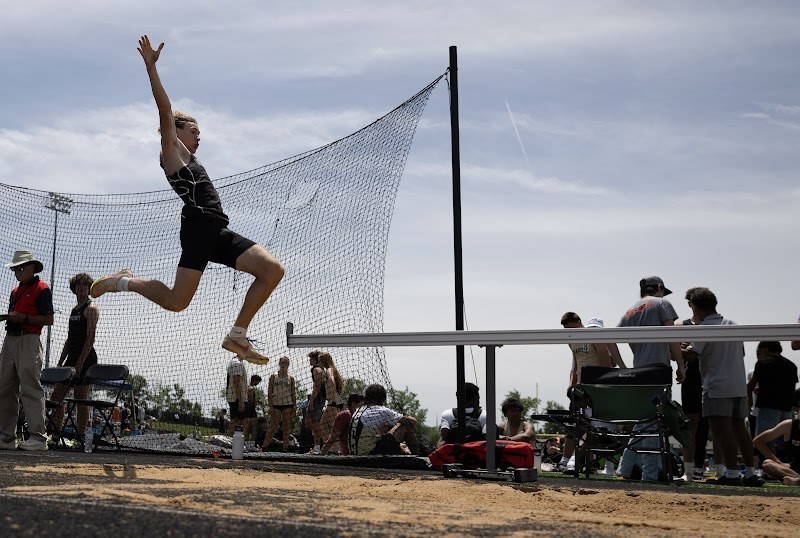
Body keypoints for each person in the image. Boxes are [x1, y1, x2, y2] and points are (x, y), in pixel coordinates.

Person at [89, 35, 284, 365]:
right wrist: (151, 68)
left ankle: (237, 335)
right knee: (177, 302)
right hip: (198, 227)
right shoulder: (170, 152)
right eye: (194, 131)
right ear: (176, 130)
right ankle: (122, 282)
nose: (199, 137)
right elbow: (164, 109)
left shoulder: (187, 155)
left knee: (272, 270)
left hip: (215, 229)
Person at [684, 287, 764, 487]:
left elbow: (691, 356)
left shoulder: (704, 328)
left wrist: (677, 346)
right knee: (739, 428)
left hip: (717, 386)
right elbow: (743, 352)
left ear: (695, 306)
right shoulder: (732, 324)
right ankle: (751, 472)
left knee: (723, 430)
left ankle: (732, 473)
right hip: (737, 384)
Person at [616, 276, 685, 482]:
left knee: (643, 422)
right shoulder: (663, 303)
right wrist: (681, 365)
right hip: (658, 372)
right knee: (654, 422)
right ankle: (650, 474)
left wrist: (623, 368)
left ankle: (625, 469)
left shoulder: (630, 311)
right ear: (659, 288)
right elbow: (672, 337)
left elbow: (611, 338)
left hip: (639, 372)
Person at [0, 250, 54, 450]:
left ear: (32, 267)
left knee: (30, 386)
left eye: (20, 268)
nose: (17, 272)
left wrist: (24, 319)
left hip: (29, 339)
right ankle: (6, 437)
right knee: (4, 387)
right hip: (10, 340)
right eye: (15, 269)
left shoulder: (42, 288)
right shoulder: (15, 291)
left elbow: (49, 319)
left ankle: (38, 438)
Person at [558, 312, 614, 473]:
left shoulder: (594, 337)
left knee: (603, 429)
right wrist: (571, 385)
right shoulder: (572, 341)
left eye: (572, 327)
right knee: (575, 426)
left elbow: (605, 365)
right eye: (567, 329)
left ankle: (605, 466)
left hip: (596, 389)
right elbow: (575, 364)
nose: (570, 331)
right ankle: (566, 461)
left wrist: (594, 386)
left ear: (580, 322)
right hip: (580, 389)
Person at [51, 273, 99, 441]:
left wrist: (80, 363)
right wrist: (60, 362)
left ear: (89, 288)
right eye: (78, 285)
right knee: (56, 396)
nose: (81, 288)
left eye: (85, 285)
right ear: (74, 288)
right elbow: (69, 338)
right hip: (71, 358)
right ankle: (55, 435)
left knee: (80, 398)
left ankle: (79, 438)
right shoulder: (73, 310)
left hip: (85, 359)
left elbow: (90, 338)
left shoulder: (91, 308)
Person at [676, 288, 711, 482]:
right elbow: (673, 351)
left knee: (709, 424)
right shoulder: (682, 324)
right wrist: (681, 362)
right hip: (691, 377)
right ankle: (688, 470)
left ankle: (701, 467)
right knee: (690, 423)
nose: (691, 304)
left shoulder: (715, 323)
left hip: (711, 376)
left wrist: (686, 348)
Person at [747, 341, 798, 463]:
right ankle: (785, 464)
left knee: (765, 440)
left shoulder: (763, 363)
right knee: (784, 440)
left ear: (766, 349)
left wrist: (748, 403)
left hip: (767, 406)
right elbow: (790, 387)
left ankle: (773, 465)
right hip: (786, 408)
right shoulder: (791, 365)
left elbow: (751, 384)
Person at [348, 384, 419, 455]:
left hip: (355, 452)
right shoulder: (380, 410)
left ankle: (409, 453)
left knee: (387, 435)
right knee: (406, 426)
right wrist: (398, 423)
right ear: (382, 399)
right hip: (370, 454)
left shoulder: (358, 410)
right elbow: (413, 421)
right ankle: (417, 456)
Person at [436, 382, 486, 448]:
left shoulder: (448, 414)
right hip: (476, 456)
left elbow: (443, 439)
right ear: (476, 398)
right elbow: (487, 440)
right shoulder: (484, 415)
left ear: (458, 397)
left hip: (453, 456)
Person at [262, 356, 296, 452]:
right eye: (281, 363)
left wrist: (294, 407)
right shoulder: (273, 376)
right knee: (274, 427)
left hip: (287, 404)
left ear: (288, 364)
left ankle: (285, 448)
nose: (283, 365)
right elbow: (269, 392)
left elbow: (293, 393)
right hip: (276, 404)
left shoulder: (291, 378)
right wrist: (270, 406)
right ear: (279, 364)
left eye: (285, 363)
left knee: (286, 428)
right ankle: (264, 446)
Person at [752, 418, 800, 487]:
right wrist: (778, 462)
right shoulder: (789, 425)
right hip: (792, 469)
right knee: (767, 464)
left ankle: (796, 481)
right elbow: (757, 441)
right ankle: (796, 480)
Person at [318, 352, 344, 438]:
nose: (319, 363)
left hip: (334, 402)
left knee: (333, 427)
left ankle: (334, 450)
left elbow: (331, 381)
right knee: (323, 425)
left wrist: (330, 394)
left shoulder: (329, 370)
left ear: (324, 361)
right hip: (333, 402)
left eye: (320, 361)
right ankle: (329, 447)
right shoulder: (332, 369)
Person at [306, 351, 327, 453]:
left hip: (317, 398)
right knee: (314, 422)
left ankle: (326, 441)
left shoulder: (316, 369)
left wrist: (311, 401)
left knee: (309, 421)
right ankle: (317, 447)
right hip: (320, 398)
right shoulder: (321, 369)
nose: (309, 360)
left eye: (310, 358)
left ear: (314, 359)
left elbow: (317, 386)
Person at [225, 355, 247, 435]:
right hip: (236, 398)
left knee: (237, 421)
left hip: (235, 397)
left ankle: (231, 441)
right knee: (238, 421)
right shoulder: (237, 363)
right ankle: (230, 441)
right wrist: (241, 401)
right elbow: (236, 381)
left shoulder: (236, 362)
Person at [244, 374, 263, 449]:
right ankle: (251, 444)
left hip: (247, 409)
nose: (258, 384)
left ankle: (247, 444)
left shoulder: (246, 387)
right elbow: (251, 399)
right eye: (258, 382)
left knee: (247, 428)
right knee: (254, 427)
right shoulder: (251, 388)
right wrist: (258, 401)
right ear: (255, 381)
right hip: (250, 409)